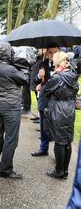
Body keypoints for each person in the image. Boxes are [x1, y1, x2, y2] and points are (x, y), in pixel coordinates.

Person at [0, 42, 29, 179]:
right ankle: (6, 170)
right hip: (11, 106)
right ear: (7, 53)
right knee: (11, 138)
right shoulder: (9, 70)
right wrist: (24, 68)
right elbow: (24, 80)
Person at [41, 51, 78, 179]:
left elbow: (45, 91)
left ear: (57, 62)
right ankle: (65, 171)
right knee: (67, 140)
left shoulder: (57, 77)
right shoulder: (73, 76)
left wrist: (49, 77)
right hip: (69, 109)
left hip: (58, 110)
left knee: (59, 141)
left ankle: (59, 171)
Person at [31, 45, 59, 157]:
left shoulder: (63, 64)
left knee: (57, 127)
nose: (52, 54)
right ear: (47, 53)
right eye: (50, 52)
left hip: (57, 100)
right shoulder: (43, 63)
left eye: (55, 52)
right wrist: (39, 76)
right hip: (44, 99)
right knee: (43, 125)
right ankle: (43, 148)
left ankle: (59, 154)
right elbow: (35, 80)